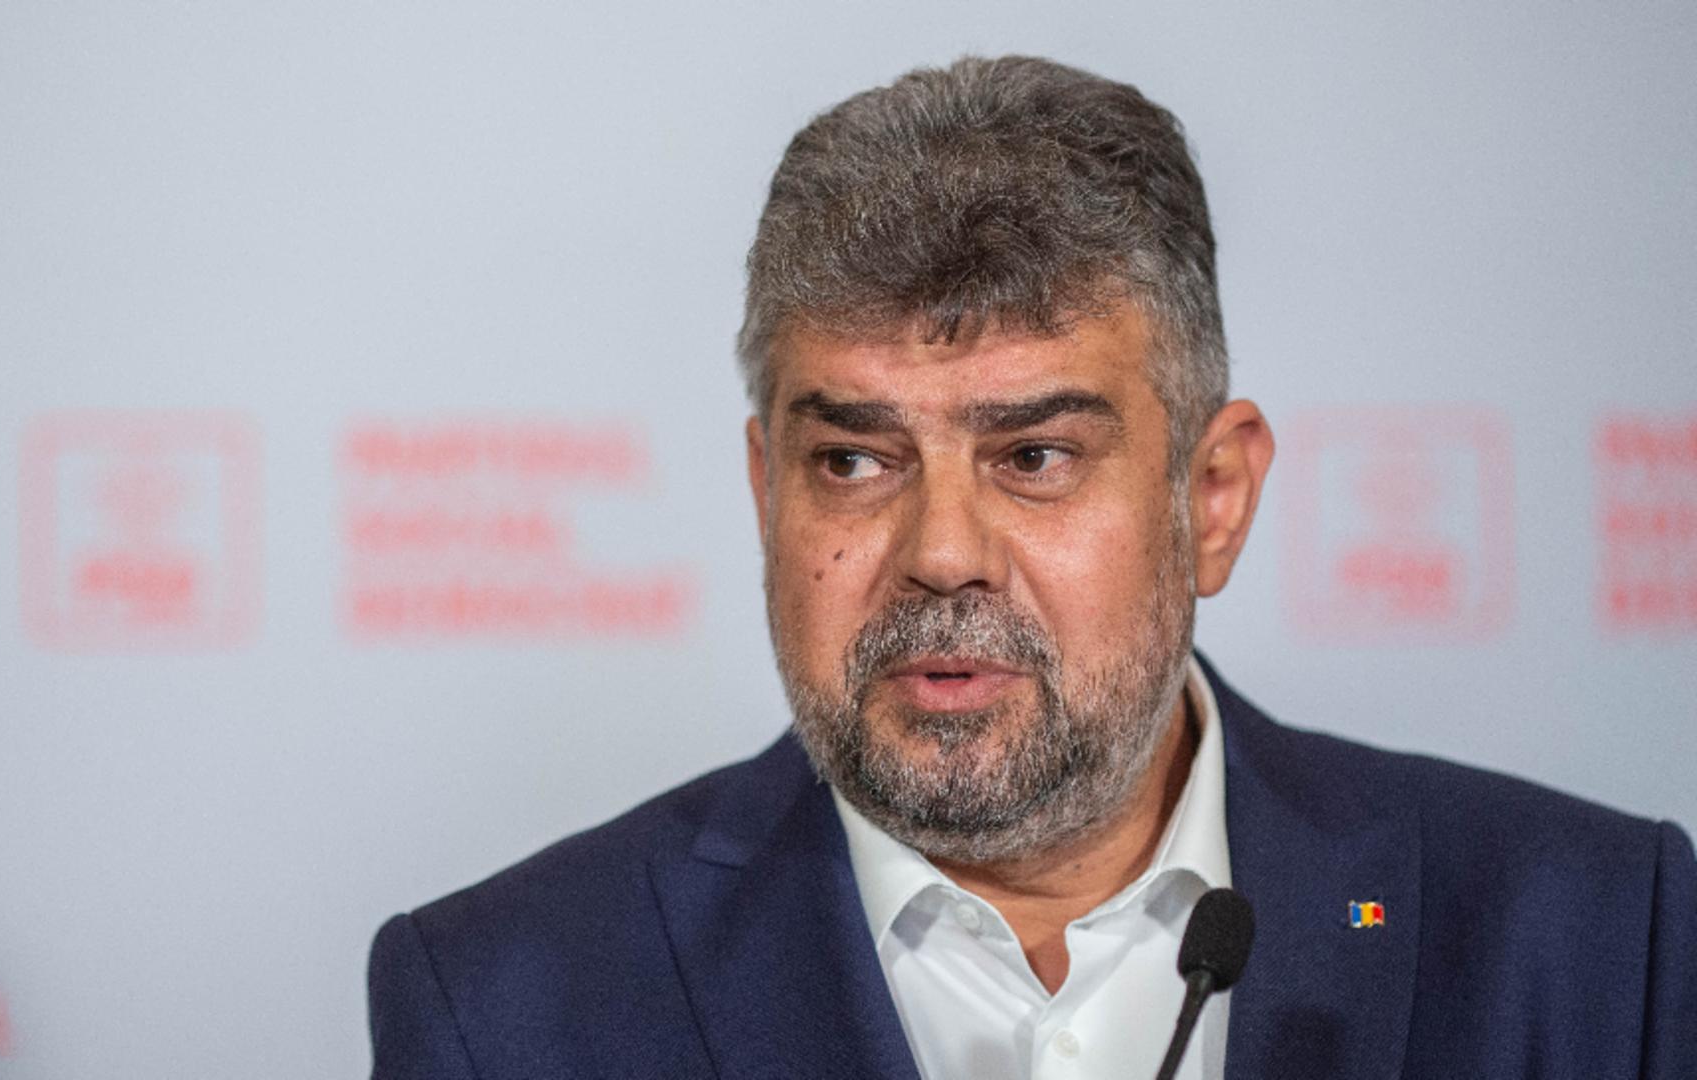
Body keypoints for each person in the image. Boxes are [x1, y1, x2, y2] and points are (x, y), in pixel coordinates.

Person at [367, 56, 1696, 1079]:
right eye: (854, 460)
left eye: (1036, 456)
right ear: (768, 491)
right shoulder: (505, 1003)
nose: (941, 555)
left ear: (1212, 499)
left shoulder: (1595, 941)